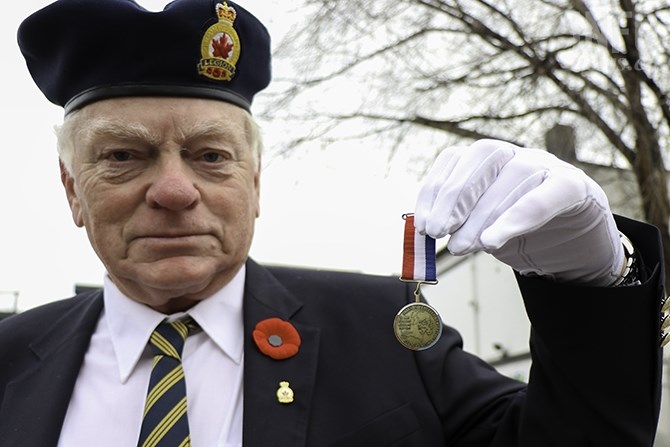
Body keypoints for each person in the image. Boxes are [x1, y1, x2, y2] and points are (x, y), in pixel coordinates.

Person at [0, 0, 666, 446]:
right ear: (72, 190)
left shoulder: (390, 334)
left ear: (254, 183)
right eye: (123, 156)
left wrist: (592, 282)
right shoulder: (9, 360)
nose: (175, 190)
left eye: (210, 155)